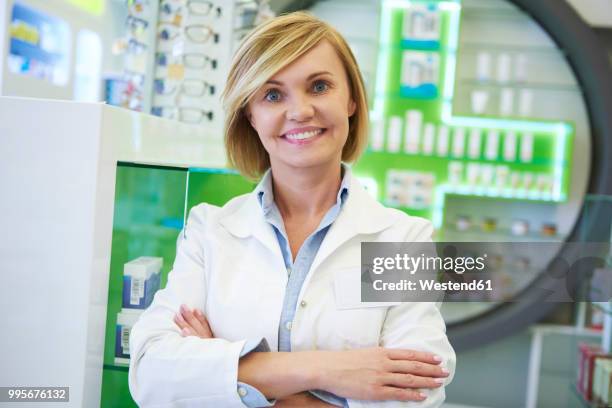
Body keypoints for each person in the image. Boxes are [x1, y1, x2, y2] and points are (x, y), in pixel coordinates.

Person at [128, 11, 456, 407]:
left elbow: (417, 395)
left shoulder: (403, 241)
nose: (300, 111)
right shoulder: (209, 230)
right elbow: (152, 375)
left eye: (319, 86)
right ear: (250, 114)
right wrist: (328, 371)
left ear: (351, 99)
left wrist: (225, 370)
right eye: (272, 95)